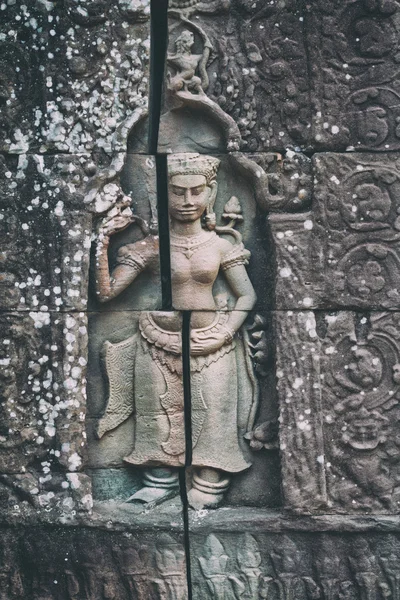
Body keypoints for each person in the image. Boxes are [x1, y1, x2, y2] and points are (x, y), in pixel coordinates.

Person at [95, 153, 258, 509]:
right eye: (178, 192)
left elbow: (247, 294)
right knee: (157, 415)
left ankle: (208, 484)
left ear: (210, 193)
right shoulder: (150, 248)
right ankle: (160, 481)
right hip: (157, 340)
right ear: (163, 194)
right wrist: (104, 239)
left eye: (196, 192)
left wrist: (226, 332)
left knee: (213, 413)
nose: (187, 202)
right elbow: (105, 293)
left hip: (213, 341)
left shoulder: (219, 246)